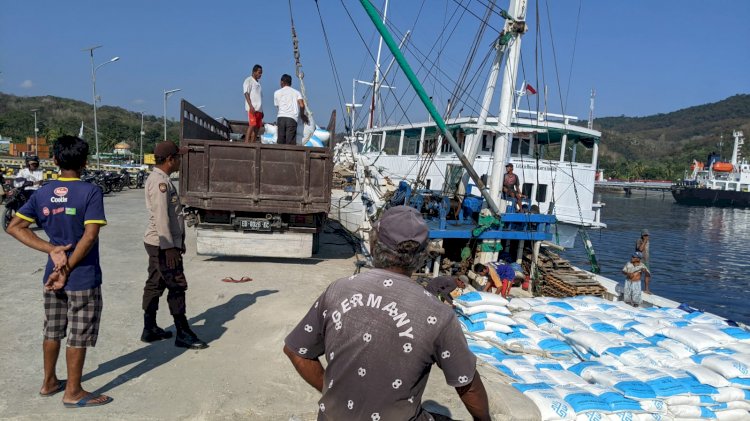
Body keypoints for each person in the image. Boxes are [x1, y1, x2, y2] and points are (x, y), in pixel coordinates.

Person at [284, 205, 490, 420]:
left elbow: (296, 351)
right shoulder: (437, 314)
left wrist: (334, 393)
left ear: (374, 245)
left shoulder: (338, 290)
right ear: (422, 255)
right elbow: (467, 383)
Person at [6, 135, 112, 408]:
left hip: (51, 276)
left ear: (54, 160)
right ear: (85, 162)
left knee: (52, 330)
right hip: (81, 275)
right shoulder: (90, 192)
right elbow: (89, 237)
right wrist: (66, 267)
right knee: (78, 332)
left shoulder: (42, 192)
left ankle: (49, 382)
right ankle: (73, 392)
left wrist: (51, 250)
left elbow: (14, 227)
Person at [142, 141, 208, 349]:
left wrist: (177, 243)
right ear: (170, 160)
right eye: (179, 157)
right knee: (177, 285)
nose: (181, 160)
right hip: (163, 244)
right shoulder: (160, 183)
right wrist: (170, 247)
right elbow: (162, 217)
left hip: (161, 243)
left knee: (156, 282)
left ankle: (149, 328)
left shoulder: (161, 179)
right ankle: (182, 332)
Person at [273, 73, 309, 145]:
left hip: (281, 118)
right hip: (292, 119)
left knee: (280, 141)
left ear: (282, 82)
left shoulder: (276, 93)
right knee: (290, 143)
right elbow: (302, 105)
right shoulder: (297, 92)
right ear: (291, 83)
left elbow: (278, 106)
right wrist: (302, 115)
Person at [243, 64, 263, 143]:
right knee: (252, 125)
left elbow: (260, 97)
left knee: (257, 127)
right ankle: (246, 143)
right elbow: (246, 93)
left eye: (261, 73)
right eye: (259, 72)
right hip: (252, 108)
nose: (260, 74)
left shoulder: (258, 84)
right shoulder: (248, 80)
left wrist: (262, 110)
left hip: (259, 109)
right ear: (254, 72)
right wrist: (250, 106)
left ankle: (253, 143)